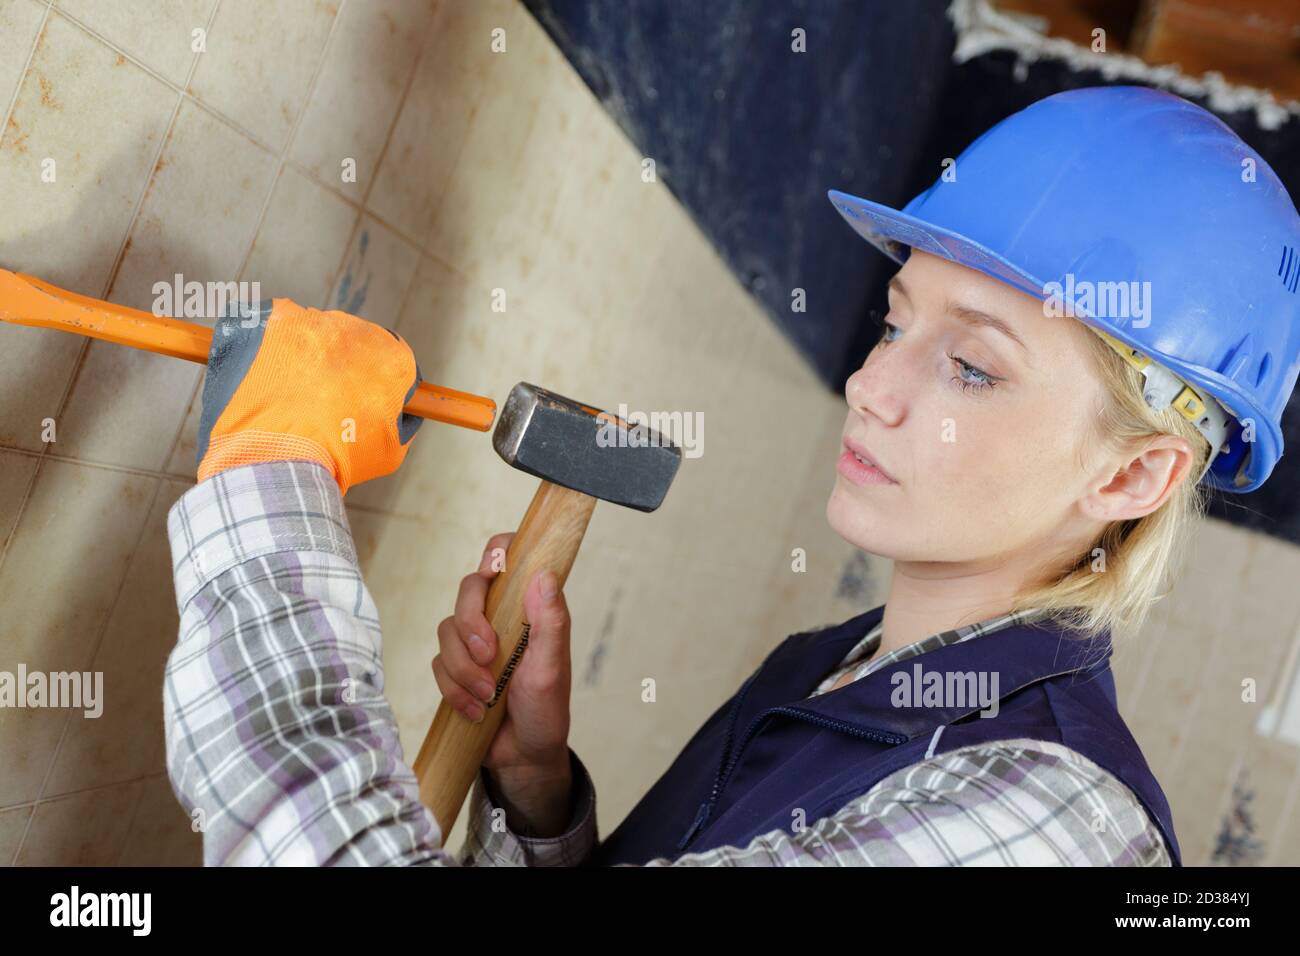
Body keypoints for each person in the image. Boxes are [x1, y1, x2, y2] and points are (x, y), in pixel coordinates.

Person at [163, 85, 1300, 866]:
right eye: (896, 321)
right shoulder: (830, 674)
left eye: (969, 365)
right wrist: (535, 790)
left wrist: (273, 477)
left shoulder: (1044, 821)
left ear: (1134, 474)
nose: (871, 386)